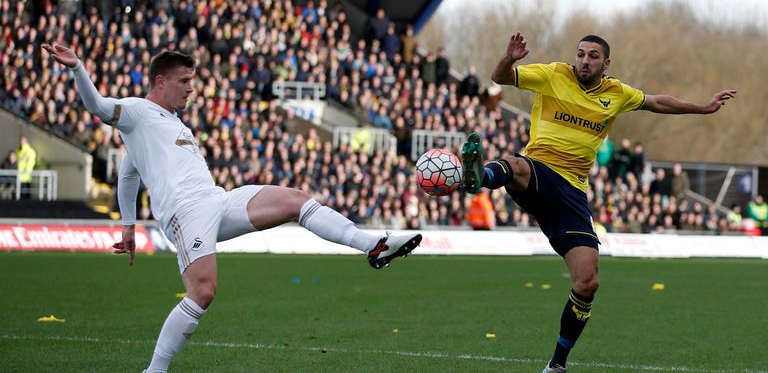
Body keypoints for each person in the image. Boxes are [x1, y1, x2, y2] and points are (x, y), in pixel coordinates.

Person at [42, 43, 422, 373]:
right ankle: (155, 369)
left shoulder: (166, 124)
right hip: (185, 213)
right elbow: (97, 105)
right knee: (203, 292)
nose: (192, 88)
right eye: (184, 81)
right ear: (161, 81)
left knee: (296, 200)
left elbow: (128, 175)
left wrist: (127, 224)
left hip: (217, 201)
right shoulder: (138, 111)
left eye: (192, 80)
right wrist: (78, 68)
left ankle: (373, 244)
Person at [461, 32, 736, 373]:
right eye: (580, 54)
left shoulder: (617, 93)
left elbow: (658, 102)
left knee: (588, 280)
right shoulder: (553, 74)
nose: (584, 61)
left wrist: (703, 108)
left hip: (572, 193)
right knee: (516, 164)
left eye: (592, 56)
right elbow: (500, 78)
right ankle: (477, 178)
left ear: (606, 64)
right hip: (539, 170)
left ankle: (556, 365)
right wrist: (509, 58)